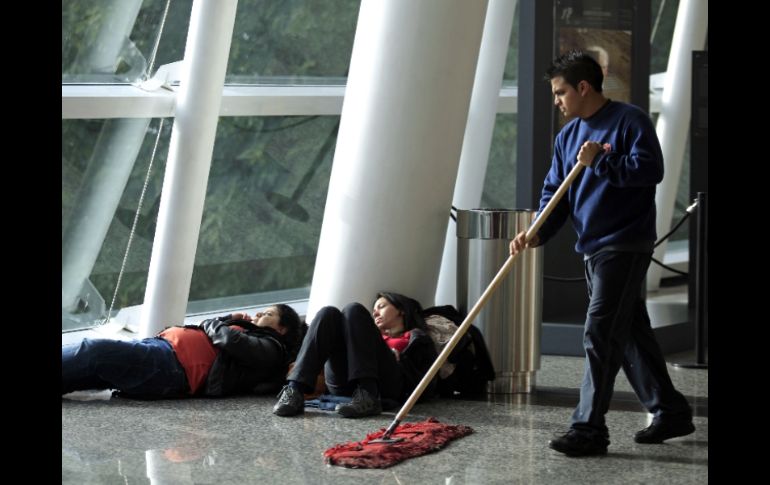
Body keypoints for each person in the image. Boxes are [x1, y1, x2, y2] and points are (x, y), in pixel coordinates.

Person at [509, 50, 695, 457]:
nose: (557, 100)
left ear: (583, 87)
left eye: (560, 92)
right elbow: (554, 195)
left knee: (599, 333)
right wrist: (535, 233)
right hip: (591, 247)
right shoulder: (566, 137)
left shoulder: (630, 121)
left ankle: (588, 428)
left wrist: (602, 161)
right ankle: (670, 410)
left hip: (625, 244)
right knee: (628, 333)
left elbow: (650, 172)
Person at [62, 305, 303, 399]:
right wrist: (225, 318)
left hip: (172, 366)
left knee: (94, 351)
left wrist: (219, 323)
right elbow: (214, 332)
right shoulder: (250, 333)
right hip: (162, 351)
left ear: (282, 329)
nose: (259, 314)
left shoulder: (273, 349)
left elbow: (227, 339)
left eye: (268, 315)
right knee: (92, 370)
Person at [272, 292, 438, 418]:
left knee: (353, 309)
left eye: (381, 307)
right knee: (327, 312)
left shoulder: (416, 337)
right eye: (374, 310)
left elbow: (428, 384)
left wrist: (400, 359)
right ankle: (294, 390)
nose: (375, 313)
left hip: (385, 385)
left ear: (401, 310)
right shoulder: (365, 333)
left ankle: (367, 393)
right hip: (344, 383)